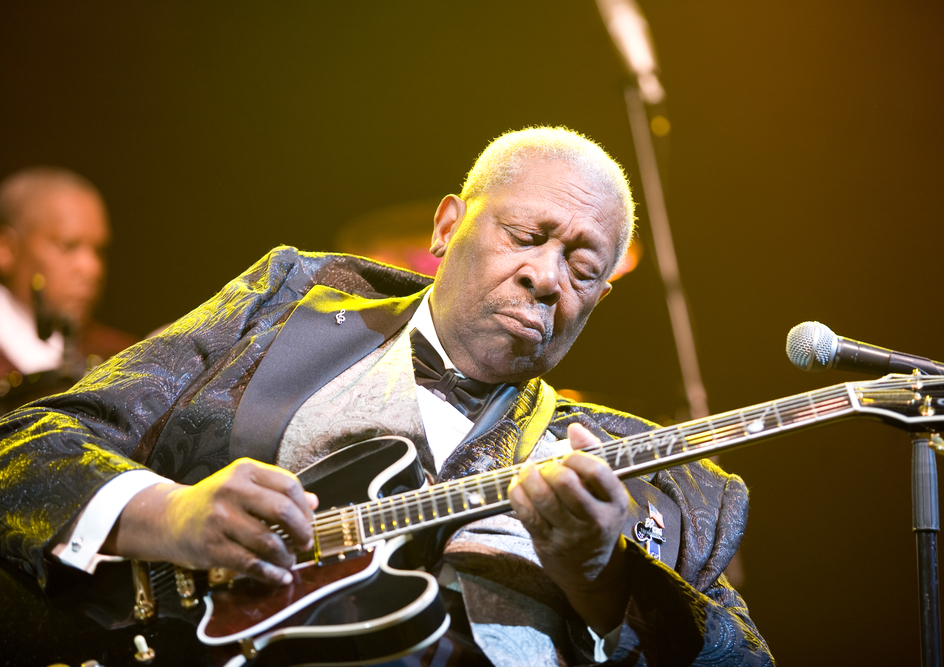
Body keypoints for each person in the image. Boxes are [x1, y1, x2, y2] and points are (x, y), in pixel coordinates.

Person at [0, 128, 772, 666]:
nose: (546, 276)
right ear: (447, 226)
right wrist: (172, 516)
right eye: (528, 234)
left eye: (581, 265)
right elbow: (27, 447)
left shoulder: (654, 479)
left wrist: (604, 581)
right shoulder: (289, 304)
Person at [0, 167, 137, 411]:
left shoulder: (124, 358)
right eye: (67, 246)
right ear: (6, 248)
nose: (91, 268)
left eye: (98, 250)